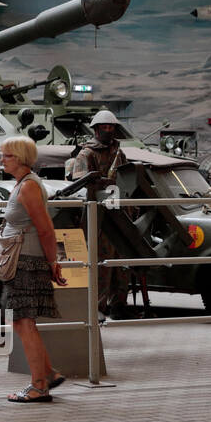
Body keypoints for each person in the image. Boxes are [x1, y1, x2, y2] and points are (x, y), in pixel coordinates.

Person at [0, 136, 67, 403]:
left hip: (26, 261)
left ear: (20, 158)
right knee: (21, 321)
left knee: (24, 322)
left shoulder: (28, 187)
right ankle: (48, 374)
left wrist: (53, 262)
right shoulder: (22, 184)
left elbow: (46, 228)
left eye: (7, 155)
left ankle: (39, 385)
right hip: (22, 260)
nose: (2, 159)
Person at [68, 110, 130, 317]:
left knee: (121, 261)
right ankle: (97, 307)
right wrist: (98, 180)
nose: (108, 130)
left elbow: (127, 175)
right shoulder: (87, 153)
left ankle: (119, 305)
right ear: (95, 129)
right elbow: (78, 178)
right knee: (100, 262)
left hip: (118, 211)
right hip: (98, 213)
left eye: (111, 127)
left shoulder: (118, 153)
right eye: (104, 127)